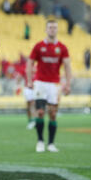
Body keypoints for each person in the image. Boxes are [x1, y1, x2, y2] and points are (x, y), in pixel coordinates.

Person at [26, 20, 72, 153]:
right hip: (40, 83)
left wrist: (68, 84)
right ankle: (40, 141)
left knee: (53, 114)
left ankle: (51, 143)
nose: (52, 30)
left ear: (57, 30)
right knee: (40, 112)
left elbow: (68, 66)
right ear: (46, 29)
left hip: (54, 85)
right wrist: (29, 80)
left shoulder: (62, 48)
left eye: (55, 27)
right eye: (50, 27)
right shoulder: (39, 46)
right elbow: (30, 63)